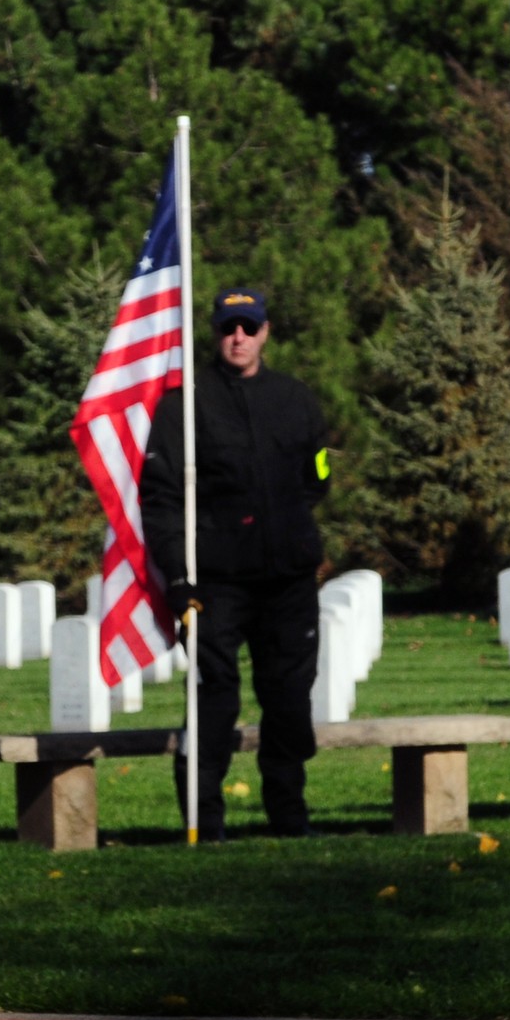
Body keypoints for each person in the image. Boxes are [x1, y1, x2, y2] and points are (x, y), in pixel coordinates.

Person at [139, 289, 330, 841]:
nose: (239, 338)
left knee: (290, 700)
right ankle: (205, 821)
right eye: (229, 328)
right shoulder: (184, 405)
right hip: (214, 585)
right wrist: (178, 577)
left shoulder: (296, 400)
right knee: (213, 699)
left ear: (266, 331)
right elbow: (162, 498)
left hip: (287, 582)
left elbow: (317, 478)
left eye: (249, 327)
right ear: (215, 332)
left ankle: (289, 817)